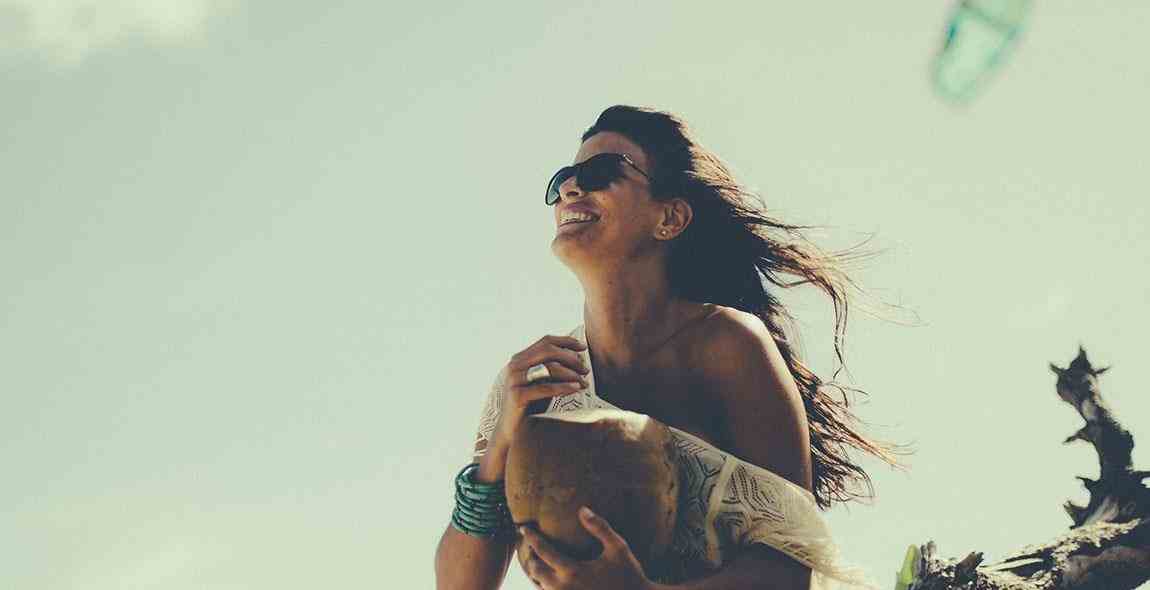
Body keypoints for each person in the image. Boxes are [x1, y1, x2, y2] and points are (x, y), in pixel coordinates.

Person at [434, 105, 914, 590]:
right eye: (563, 179)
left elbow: (790, 570)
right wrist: (498, 449)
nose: (570, 189)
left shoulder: (729, 347)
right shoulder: (536, 382)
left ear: (669, 217)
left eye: (602, 172)